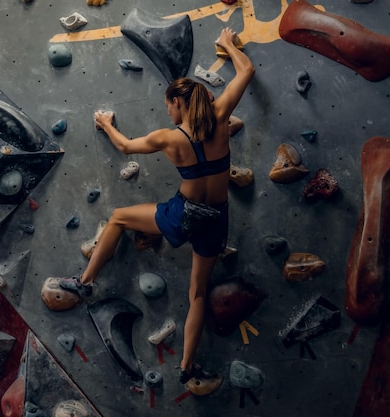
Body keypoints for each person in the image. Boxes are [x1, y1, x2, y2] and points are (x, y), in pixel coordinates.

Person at [58, 27, 255, 393]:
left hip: (181, 214)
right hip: (216, 218)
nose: (167, 110)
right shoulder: (222, 112)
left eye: (169, 104)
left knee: (118, 217)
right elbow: (246, 72)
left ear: (179, 103)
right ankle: (186, 367)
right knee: (197, 293)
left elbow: (127, 147)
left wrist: (105, 124)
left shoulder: (169, 138)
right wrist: (228, 43)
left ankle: (83, 284)